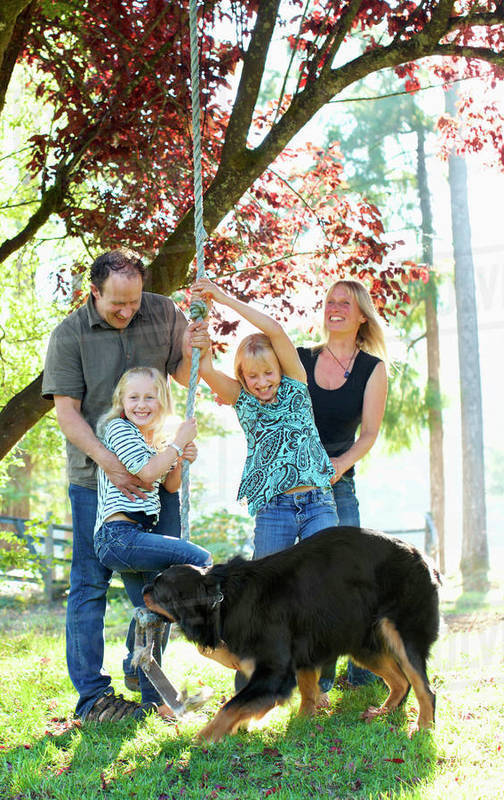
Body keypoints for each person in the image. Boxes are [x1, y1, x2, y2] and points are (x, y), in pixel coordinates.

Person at [42, 248, 192, 723]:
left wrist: (198, 345)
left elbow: (188, 374)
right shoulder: (69, 335)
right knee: (89, 582)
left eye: (134, 301)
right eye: (116, 305)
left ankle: (145, 676)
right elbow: (66, 412)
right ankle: (92, 698)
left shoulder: (164, 312)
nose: (127, 312)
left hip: (156, 473)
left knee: (163, 585)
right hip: (94, 480)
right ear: (94, 292)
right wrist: (108, 462)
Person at [187, 277, 338, 557]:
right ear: (242, 376)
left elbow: (275, 330)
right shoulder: (242, 399)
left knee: (325, 572)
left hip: (317, 502)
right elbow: (206, 369)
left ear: (280, 367)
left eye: (268, 372)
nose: (262, 382)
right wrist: (201, 337)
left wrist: (223, 298)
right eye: (252, 375)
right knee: (266, 582)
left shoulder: (295, 384)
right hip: (273, 508)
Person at [93, 367, 213, 715]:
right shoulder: (120, 429)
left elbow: (169, 486)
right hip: (119, 537)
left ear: (162, 402)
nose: (142, 404)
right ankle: (208, 627)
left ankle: (151, 699)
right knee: (200, 559)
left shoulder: (153, 444)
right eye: (134, 397)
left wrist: (179, 456)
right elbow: (145, 474)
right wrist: (176, 443)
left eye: (150, 397)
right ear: (121, 402)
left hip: (137, 538)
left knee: (151, 616)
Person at [297, 278, 390, 690]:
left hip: (338, 482)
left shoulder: (373, 370)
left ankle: (362, 667)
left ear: (360, 317)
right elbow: (254, 380)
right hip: (294, 486)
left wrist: (339, 465)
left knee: (349, 579)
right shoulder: (300, 358)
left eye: (345, 304)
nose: (334, 308)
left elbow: (369, 433)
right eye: (330, 301)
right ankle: (320, 673)